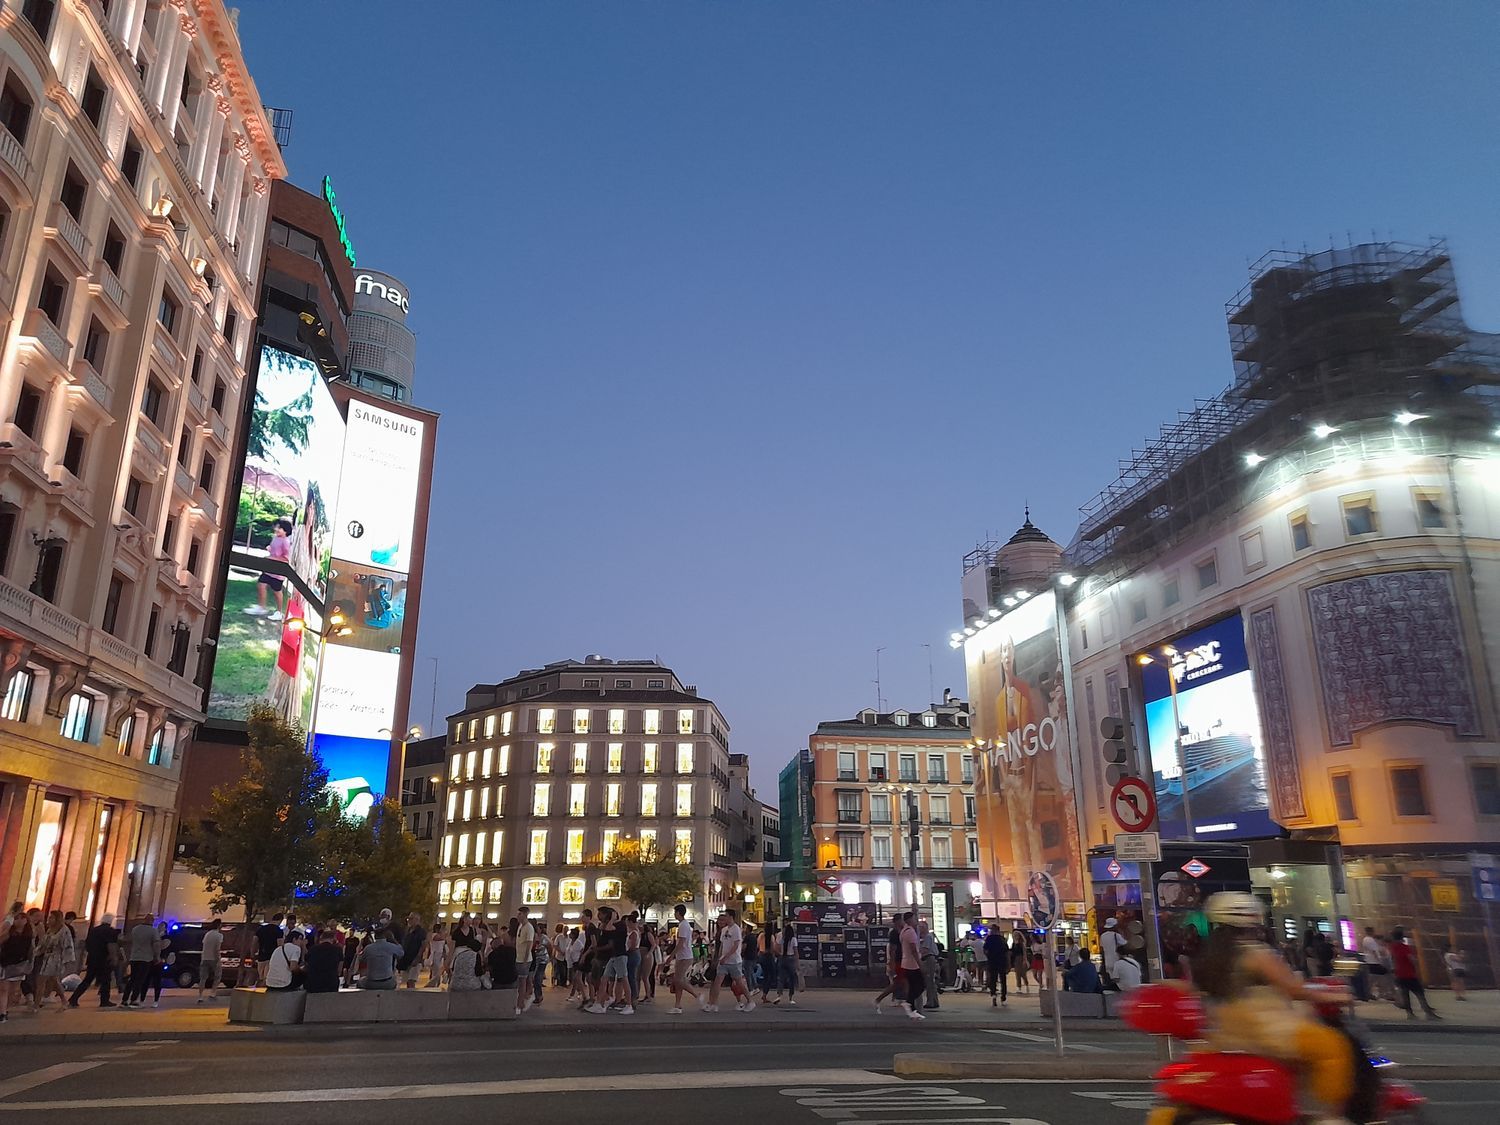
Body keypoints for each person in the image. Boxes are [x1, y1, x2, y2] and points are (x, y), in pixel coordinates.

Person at [1194, 892, 1356, 1123]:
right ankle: (1329, 1116)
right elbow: (1294, 990)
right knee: (1334, 1047)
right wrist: (1335, 996)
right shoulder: (1256, 953)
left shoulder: (1209, 956)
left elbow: (1194, 989)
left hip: (1227, 1034)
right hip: (1269, 1033)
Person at [704, 908, 755, 1013]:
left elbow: (736, 945)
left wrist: (726, 957)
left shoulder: (736, 929)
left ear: (731, 917)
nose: (725, 918)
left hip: (734, 961)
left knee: (739, 982)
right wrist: (720, 957)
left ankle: (750, 1001)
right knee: (717, 982)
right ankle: (713, 1004)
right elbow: (722, 944)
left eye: (726, 916)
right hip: (723, 961)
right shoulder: (724, 930)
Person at [69, 914, 119, 1008]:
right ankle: (104, 1001)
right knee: (106, 980)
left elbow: (87, 944)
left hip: (92, 958)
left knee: (88, 979)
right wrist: (113, 957)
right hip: (104, 959)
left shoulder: (93, 930)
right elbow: (111, 945)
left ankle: (74, 998)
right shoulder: (110, 931)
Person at [1389, 928, 1440, 1020]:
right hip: (1409, 974)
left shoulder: (1392, 947)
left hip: (1399, 974)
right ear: (1402, 937)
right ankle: (1428, 1013)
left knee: (1405, 995)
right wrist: (1415, 963)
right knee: (1420, 993)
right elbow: (1411, 958)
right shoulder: (1404, 947)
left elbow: (1393, 959)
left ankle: (1410, 1014)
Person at [248, 518, 293, 619]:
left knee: (277, 591)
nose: (276, 529)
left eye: (279, 528)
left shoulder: (286, 542)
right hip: (269, 569)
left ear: (286, 531)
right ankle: (261, 607)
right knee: (261, 585)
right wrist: (270, 548)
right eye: (276, 527)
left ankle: (279, 612)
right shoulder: (275, 538)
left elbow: (286, 559)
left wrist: (272, 557)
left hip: (278, 572)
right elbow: (274, 549)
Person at [0, 910, 36, 1021]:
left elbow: (31, 951)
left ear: (26, 920)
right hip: (6, 963)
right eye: (16, 919)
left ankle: (6, 1009)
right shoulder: (9, 932)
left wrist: (30, 964)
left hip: (20, 965)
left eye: (22, 918)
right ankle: (2, 1013)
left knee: (13, 990)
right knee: (4, 989)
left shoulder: (29, 935)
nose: (19, 921)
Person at [35, 911, 74, 1009]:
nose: (49, 920)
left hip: (56, 959)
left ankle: (36, 1004)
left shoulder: (64, 930)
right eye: (49, 918)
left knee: (42, 980)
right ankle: (64, 1000)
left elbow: (68, 946)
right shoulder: (50, 930)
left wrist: (67, 961)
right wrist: (36, 952)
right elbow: (44, 944)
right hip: (47, 958)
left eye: (52, 918)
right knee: (54, 981)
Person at [668, 904, 699, 1014]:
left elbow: (681, 943)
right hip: (682, 956)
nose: (674, 914)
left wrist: (671, 956)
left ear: (678, 913)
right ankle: (677, 1005)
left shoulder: (683, 926)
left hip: (685, 956)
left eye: (675, 912)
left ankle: (696, 995)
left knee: (678, 980)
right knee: (679, 980)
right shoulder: (683, 925)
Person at [123, 913, 159, 1008]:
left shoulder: (135, 929)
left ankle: (124, 1000)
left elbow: (130, 942)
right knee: (140, 980)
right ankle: (134, 999)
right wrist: (157, 957)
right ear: (152, 921)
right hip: (146, 958)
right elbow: (156, 944)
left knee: (132, 979)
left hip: (134, 957)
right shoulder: (153, 931)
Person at [898, 913, 926, 1021]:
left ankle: (912, 1010)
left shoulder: (903, 931)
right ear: (909, 919)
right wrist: (920, 964)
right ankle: (908, 1003)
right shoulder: (910, 932)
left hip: (905, 962)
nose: (916, 921)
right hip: (912, 964)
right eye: (915, 918)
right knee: (921, 985)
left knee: (913, 986)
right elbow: (913, 950)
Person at [874, 923, 906, 1014]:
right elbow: (891, 955)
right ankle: (904, 1001)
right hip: (898, 963)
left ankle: (904, 1000)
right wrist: (891, 965)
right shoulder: (893, 946)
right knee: (899, 982)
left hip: (900, 963)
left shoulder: (895, 945)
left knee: (900, 982)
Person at [304, 927, 344, 993]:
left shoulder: (312, 949)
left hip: (314, 983)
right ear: (333, 939)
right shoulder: (338, 950)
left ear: (321, 939)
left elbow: (307, 964)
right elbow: (339, 970)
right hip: (331, 982)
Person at [197, 920, 225, 1003]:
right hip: (214, 958)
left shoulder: (207, 934)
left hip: (204, 958)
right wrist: (218, 959)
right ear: (219, 926)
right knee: (218, 976)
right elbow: (217, 948)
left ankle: (200, 996)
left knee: (203, 978)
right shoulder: (219, 935)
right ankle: (213, 993)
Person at [1360, 928, 1391, 1001]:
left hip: (1369, 961)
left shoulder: (1365, 939)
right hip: (1374, 962)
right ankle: (1384, 993)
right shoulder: (1370, 940)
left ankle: (1370, 993)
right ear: (1371, 932)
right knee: (1384, 975)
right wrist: (1379, 960)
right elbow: (1374, 951)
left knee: (1373, 978)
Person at [255, 913, 284, 986]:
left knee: (261, 976)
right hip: (272, 957)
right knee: (267, 977)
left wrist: (253, 953)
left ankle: (259, 990)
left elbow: (254, 942)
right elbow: (280, 945)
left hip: (261, 956)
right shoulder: (278, 931)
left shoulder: (261, 929)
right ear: (280, 920)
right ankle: (264, 992)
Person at [400, 913, 427, 990]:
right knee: (407, 980)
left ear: (417, 920)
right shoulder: (408, 931)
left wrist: (418, 958)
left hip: (415, 959)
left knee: (411, 980)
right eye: (409, 919)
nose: (409, 921)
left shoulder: (421, 932)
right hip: (406, 959)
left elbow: (423, 945)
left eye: (411, 919)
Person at [918, 920, 941, 1010]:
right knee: (931, 982)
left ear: (924, 928)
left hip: (928, 959)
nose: (919, 929)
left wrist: (918, 957)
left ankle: (930, 1002)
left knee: (929, 981)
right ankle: (934, 1001)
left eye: (920, 927)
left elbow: (925, 950)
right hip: (930, 959)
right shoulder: (927, 937)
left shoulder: (927, 937)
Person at [983, 927, 1009, 1006]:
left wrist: (988, 956)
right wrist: (1008, 963)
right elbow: (1007, 952)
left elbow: (985, 950)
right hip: (1002, 961)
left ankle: (993, 994)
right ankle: (1003, 997)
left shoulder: (989, 939)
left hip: (992, 961)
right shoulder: (1002, 939)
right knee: (1003, 980)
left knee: (993, 979)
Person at [425, 923, 449, 989]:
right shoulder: (434, 935)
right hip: (435, 955)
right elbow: (440, 938)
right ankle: (432, 985)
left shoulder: (442, 937)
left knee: (440, 971)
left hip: (440, 955)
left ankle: (436, 984)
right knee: (436, 971)